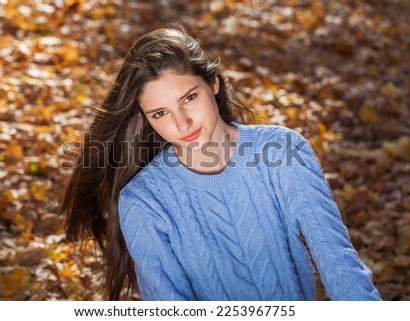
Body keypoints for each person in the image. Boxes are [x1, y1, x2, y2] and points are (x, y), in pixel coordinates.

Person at [58, 27, 381, 301]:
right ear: (146, 119)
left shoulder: (283, 150)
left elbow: (338, 262)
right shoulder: (143, 201)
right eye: (160, 113)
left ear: (213, 84)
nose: (182, 123)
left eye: (189, 98)